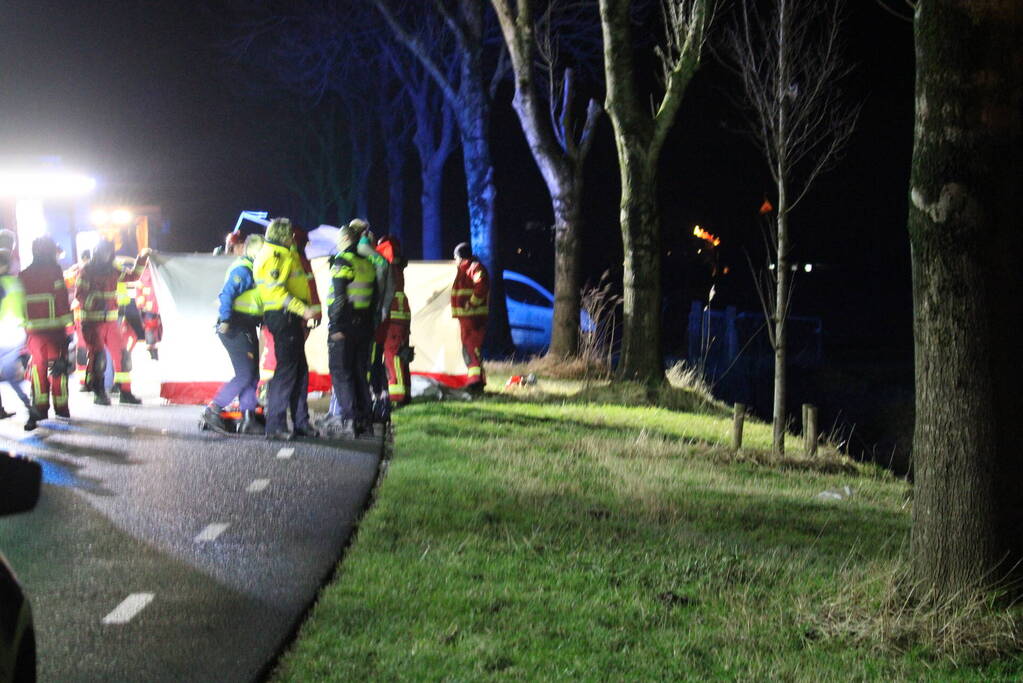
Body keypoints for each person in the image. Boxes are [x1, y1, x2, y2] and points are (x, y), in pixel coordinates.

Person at [253, 217, 319, 440]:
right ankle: (276, 425)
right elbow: (275, 292)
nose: (293, 237)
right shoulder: (274, 256)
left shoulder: (283, 253)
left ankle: (300, 422)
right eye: (289, 233)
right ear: (282, 235)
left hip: (290, 317)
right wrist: (303, 310)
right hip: (283, 316)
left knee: (299, 371)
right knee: (286, 371)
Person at [201, 233, 265, 435]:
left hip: (245, 326)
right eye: (263, 250)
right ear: (253, 250)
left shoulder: (252, 268)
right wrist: (226, 320)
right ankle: (214, 408)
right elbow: (226, 294)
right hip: (235, 327)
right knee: (245, 374)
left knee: (252, 374)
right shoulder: (244, 270)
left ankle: (248, 418)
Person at [76, 241, 150, 405]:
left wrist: (142, 258)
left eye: (108, 252)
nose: (106, 255)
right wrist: (96, 302)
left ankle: (125, 392)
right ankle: (99, 393)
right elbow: (80, 295)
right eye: (103, 252)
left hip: (111, 322)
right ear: (97, 253)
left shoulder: (113, 270)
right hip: (92, 322)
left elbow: (133, 276)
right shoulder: (86, 271)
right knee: (99, 359)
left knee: (123, 357)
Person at [324, 226, 377, 438]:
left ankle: (350, 420)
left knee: (341, 372)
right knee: (359, 372)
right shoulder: (367, 263)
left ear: (346, 238)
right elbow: (373, 298)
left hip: (344, 325)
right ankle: (365, 420)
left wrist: (336, 326)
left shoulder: (343, 261)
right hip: (363, 325)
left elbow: (339, 296)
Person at [19, 237, 73, 430]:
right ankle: (61, 408)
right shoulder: (55, 271)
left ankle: (40, 408)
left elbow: (19, 305)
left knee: (38, 370)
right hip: (55, 333)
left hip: (33, 334)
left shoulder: (23, 275)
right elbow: (62, 300)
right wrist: (70, 329)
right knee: (57, 371)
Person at [374, 234, 412, 411]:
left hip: (393, 315)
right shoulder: (398, 265)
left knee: (393, 355)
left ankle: (397, 396)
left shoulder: (387, 265)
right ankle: (405, 392)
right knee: (402, 355)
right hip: (402, 315)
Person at [450, 242, 489, 394]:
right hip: (467, 318)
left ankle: (475, 383)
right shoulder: (463, 269)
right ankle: (476, 381)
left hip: (474, 317)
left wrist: (471, 304)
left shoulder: (474, 268)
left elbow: (481, 287)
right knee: (470, 349)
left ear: (461, 257)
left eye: (455, 257)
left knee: (471, 349)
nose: (455, 260)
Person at [0, 249, 30, 418]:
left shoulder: (1, 284)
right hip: (18, 333)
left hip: (3, 333)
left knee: (8, 372)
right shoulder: (16, 282)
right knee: (9, 372)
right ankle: (27, 403)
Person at [64, 249, 91, 389]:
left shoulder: (73, 272)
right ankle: (86, 380)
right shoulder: (93, 271)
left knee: (82, 347)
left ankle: (84, 381)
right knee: (86, 348)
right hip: (88, 316)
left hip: (79, 316)